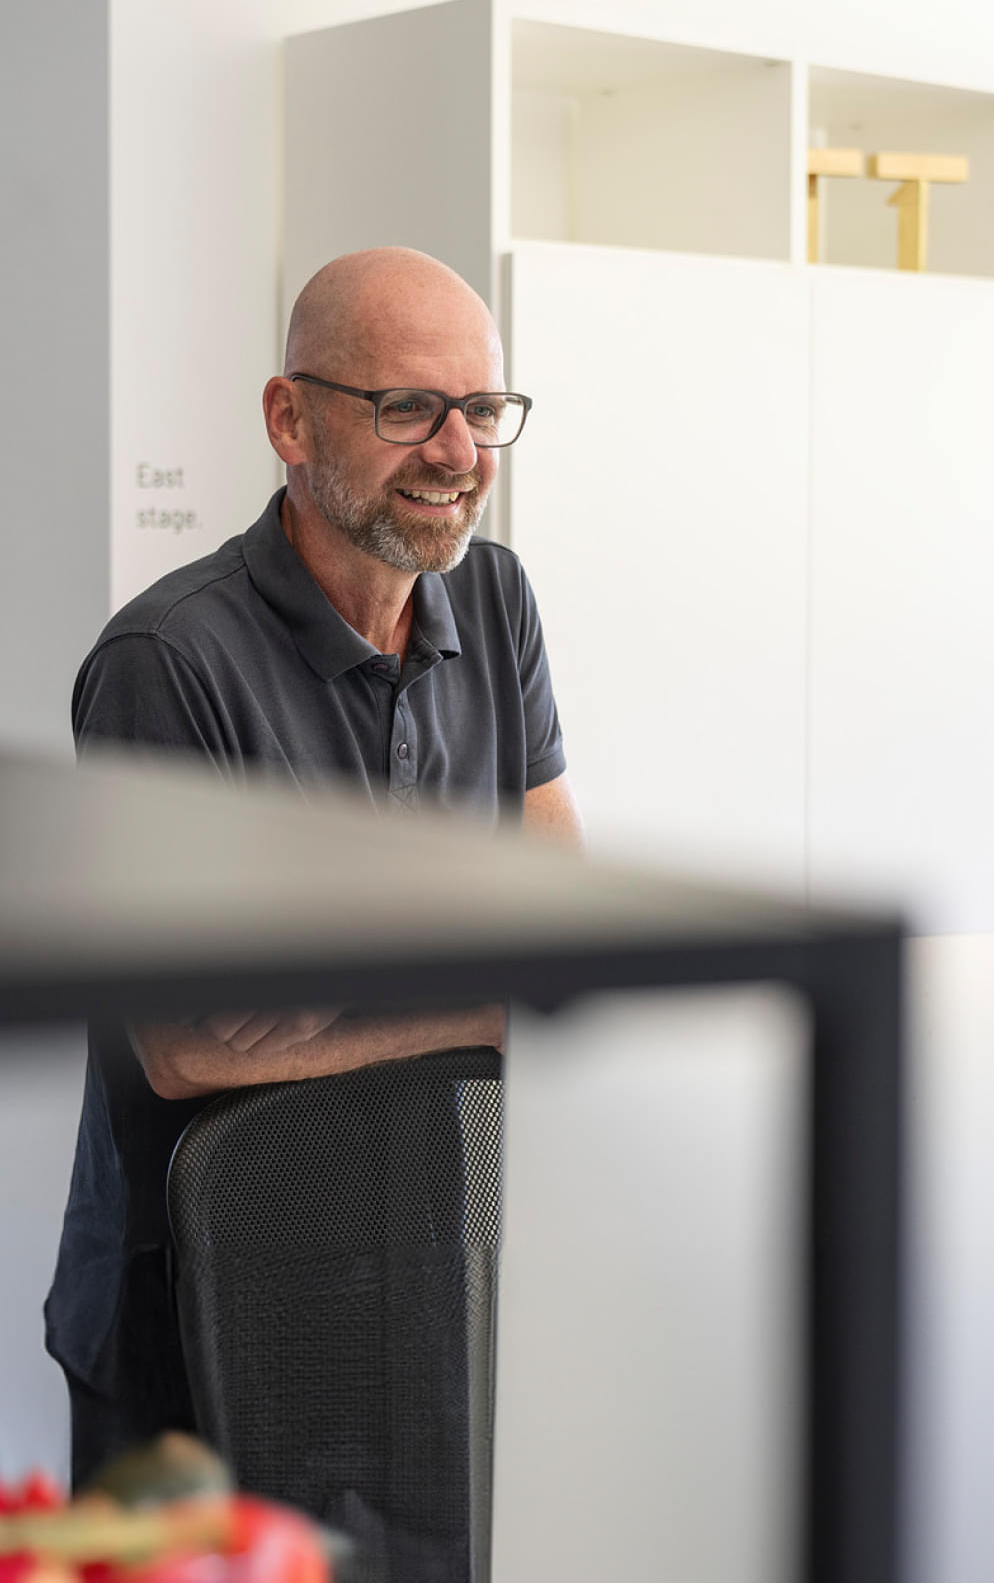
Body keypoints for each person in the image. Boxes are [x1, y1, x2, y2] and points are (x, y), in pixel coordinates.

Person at [46, 247, 583, 1490]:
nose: (458, 452)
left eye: (482, 410)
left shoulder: (494, 600)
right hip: (194, 1308)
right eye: (407, 409)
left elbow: (563, 922)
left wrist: (328, 974)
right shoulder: (166, 661)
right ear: (291, 418)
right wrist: (476, 1003)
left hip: (418, 1282)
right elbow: (185, 1051)